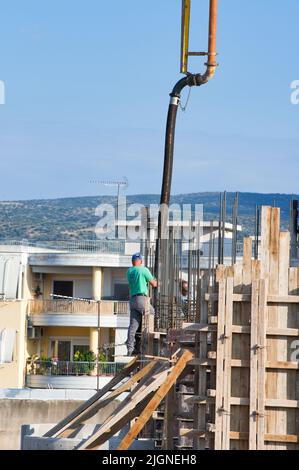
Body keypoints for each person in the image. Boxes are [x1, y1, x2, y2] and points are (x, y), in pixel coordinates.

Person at [126, 253, 157, 356]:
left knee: (134, 325)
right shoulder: (143, 270)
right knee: (151, 313)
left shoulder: (129, 271)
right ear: (140, 261)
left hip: (132, 300)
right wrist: (155, 280)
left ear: (132, 261)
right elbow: (154, 284)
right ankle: (149, 343)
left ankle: (130, 348)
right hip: (141, 298)